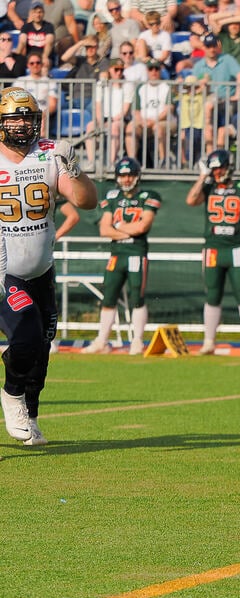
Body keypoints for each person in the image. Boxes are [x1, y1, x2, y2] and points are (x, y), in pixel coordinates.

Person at [0, 86, 98, 446]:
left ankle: (31, 415)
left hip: (41, 271)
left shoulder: (48, 155)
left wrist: (74, 167)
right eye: (14, 117)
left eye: (28, 117)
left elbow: (88, 202)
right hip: (4, 270)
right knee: (25, 336)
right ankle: (11, 395)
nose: (23, 124)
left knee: (40, 352)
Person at [184, 149, 240, 355]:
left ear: (229, 166)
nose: (218, 172)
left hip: (235, 247)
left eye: (220, 168)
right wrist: (202, 177)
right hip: (213, 248)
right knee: (212, 293)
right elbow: (190, 200)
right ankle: (209, 341)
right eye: (214, 169)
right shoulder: (208, 186)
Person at [82, 157, 160, 356]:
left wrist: (118, 227)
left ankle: (137, 340)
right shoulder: (112, 196)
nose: (126, 179)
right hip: (117, 255)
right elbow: (104, 230)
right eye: (122, 175)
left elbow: (143, 225)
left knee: (137, 297)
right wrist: (128, 231)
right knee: (109, 296)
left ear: (137, 176)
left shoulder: (148, 195)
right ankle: (102, 341)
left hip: (136, 254)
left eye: (129, 175)